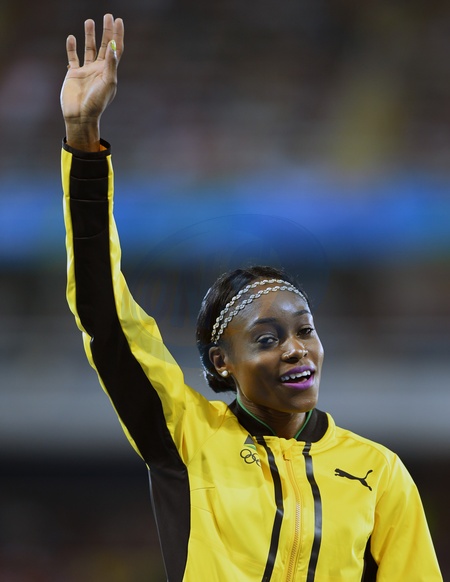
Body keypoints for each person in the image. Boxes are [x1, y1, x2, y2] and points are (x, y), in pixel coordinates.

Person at [60, 14, 442, 582]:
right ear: (223, 362)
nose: (296, 349)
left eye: (305, 329)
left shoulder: (379, 472)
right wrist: (83, 141)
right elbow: (105, 315)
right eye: (267, 339)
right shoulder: (187, 438)